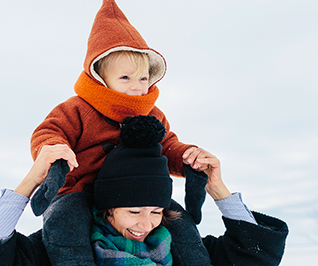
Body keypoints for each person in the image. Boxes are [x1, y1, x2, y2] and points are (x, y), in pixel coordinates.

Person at [0, 116, 289, 266]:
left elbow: (255, 253)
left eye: (155, 211)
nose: (146, 224)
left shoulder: (184, 251)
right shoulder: (53, 252)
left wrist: (217, 189)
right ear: (108, 209)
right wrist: (30, 181)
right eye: (133, 211)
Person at [28, 1, 214, 264]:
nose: (137, 87)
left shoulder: (152, 114)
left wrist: (187, 156)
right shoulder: (77, 109)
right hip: (80, 188)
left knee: (181, 224)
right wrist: (56, 148)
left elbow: (168, 145)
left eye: (143, 78)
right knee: (64, 220)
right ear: (100, 78)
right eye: (125, 78)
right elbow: (49, 131)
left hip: (136, 194)